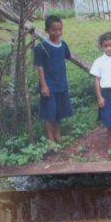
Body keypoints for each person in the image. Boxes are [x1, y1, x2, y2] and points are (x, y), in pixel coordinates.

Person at [34, 15, 73, 146]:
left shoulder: (63, 45)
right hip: (49, 85)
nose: (57, 32)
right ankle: (50, 139)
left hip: (61, 83)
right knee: (50, 112)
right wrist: (44, 85)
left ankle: (58, 134)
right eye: (53, 30)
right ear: (47, 30)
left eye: (59, 29)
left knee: (59, 111)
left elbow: (66, 57)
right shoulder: (42, 47)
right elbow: (39, 66)